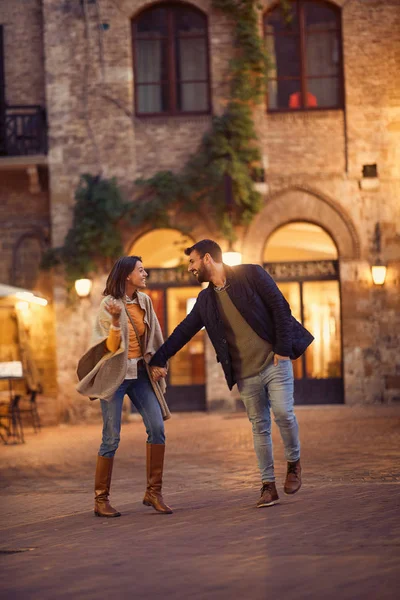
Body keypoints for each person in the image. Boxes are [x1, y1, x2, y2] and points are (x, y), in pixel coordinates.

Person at [150, 239, 314, 508]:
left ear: (206, 259)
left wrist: (283, 349)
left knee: (284, 413)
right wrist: (159, 358)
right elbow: (183, 331)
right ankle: (268, 486)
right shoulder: (206, 300)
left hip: (275, 362)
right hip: (245, 374)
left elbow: (280, 308)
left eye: (192, 261)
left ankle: (294, 463)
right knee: (259, 427)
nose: (190, 268)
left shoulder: (251, 274)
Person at [76, 256, 172, 517]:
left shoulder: (145, 301)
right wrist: (117, 322)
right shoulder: (108, 304)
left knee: (157, 428)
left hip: (140, 374)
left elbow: (154, 337)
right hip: (115, 376)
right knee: (111, 437)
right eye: (141, 270)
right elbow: (108, 347)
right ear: (127, 275)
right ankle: (101, 499)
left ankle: (154, 492)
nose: (145, 273)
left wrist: (158, 362)